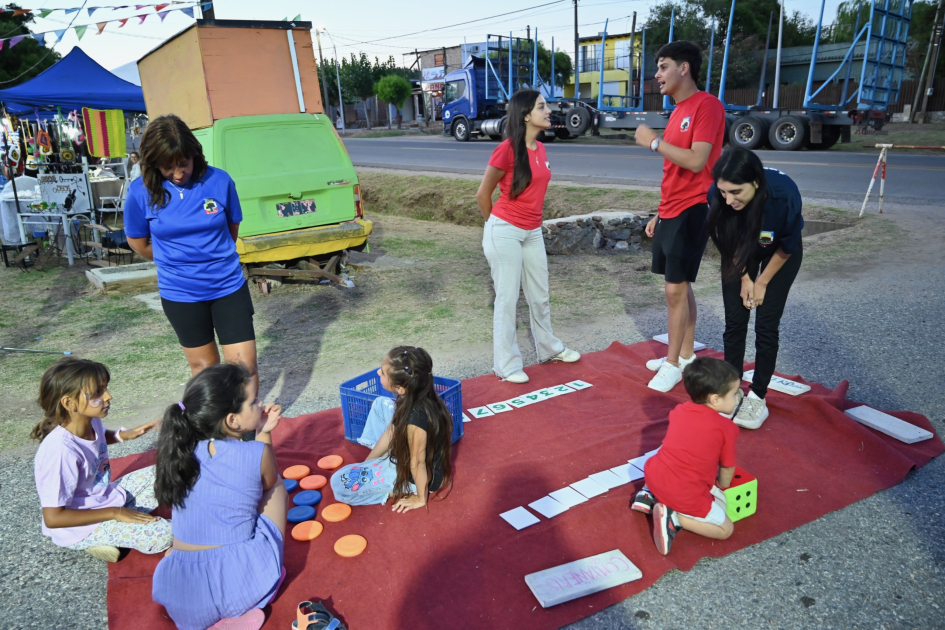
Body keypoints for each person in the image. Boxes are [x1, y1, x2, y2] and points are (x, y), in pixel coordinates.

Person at [124, 115, 260, 395]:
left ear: (194, 154)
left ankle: (246, 434)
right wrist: (173, 260)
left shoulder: (219, 181)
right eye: (168, 167)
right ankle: (215, 433)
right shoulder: (140, 193)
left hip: (227, 287)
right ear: (153, 164)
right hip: (181, 293)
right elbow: (137, 242)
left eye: (183, 163)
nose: (178, 173)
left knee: (243, 367)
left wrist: (212, 256)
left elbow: (231, 228)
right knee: (205, 370)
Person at [152, 363, 285, 630]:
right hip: (244, 588)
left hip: (184, 598)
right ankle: (266, 572)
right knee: (277, 486)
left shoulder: (178, 454)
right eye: (253, 401)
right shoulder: (255, 453)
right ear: (233, 420)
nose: (260, 404)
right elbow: (267, 483)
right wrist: (264, 432)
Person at [634, 41, 726, 393]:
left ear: (683, 68)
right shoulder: (677, 111)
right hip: (672, 208)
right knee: (679, 285)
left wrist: (653, 142)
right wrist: (661, 211)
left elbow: (697, 161)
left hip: (694, 207)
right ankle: (685, 355)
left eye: (663, 66)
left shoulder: (707, 106)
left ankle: (673, 365)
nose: (657, 75)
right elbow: (674, 170)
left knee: (675, 288)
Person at [475, 89, 580, 383]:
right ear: (525, 115)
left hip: (532, 231)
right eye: (541, 106)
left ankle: (549, 348)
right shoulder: (506, 150)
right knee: (507, 300)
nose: (548, 111)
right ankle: (506, 365)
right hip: (504, 231)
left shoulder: (541, 149)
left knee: (540, 294)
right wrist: (493, 228)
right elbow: (483, 195)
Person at [32, 358, 171, 563]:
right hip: (78, 526)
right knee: (166, 533)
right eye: (98, 392)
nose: (108, 396)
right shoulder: (59, 452)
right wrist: (116, 513)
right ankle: (92, 541)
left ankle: (116, 532)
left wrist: (125, 435)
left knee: (171, 473)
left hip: (104, 498)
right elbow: (53, 518)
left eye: (105, 389)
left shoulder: (90, 419)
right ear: (69, 403)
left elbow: (99, 436)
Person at [706, 147, 804, 429]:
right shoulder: (719, 196)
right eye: (724, 192)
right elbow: (727, 242)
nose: (729, 199)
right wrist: (746, 277)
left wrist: (761, 283)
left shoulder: (784, 194)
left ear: (756, 182)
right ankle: (731, 388)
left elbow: (788, 245)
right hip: (740, 252)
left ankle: (758, 396)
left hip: (780, 254)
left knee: (766, 325)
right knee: (735, 321)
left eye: (736, 192)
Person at [631, 357, 741, 555]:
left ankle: (648, 493)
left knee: (667, 455)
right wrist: (723, 487)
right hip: (684, 493)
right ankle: (675, 519)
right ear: (715, 399)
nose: (737, 398)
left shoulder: (679, 411)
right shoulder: (727, 428)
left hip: (654, 474)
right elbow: (727, 468)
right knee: (726, 529)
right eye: (734, 394)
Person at [331, 346, 453, 512]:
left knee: (339, 483)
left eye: (382, 372)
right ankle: (381, 462)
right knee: (381, 403)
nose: (378, 374)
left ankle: (401, 488)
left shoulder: (415, 420)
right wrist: (366, 465)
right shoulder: (414, 395)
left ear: (400, 388)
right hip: (410, 454)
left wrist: (420, 498)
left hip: (416, 474)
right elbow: (391, 431)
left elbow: (417, 463)